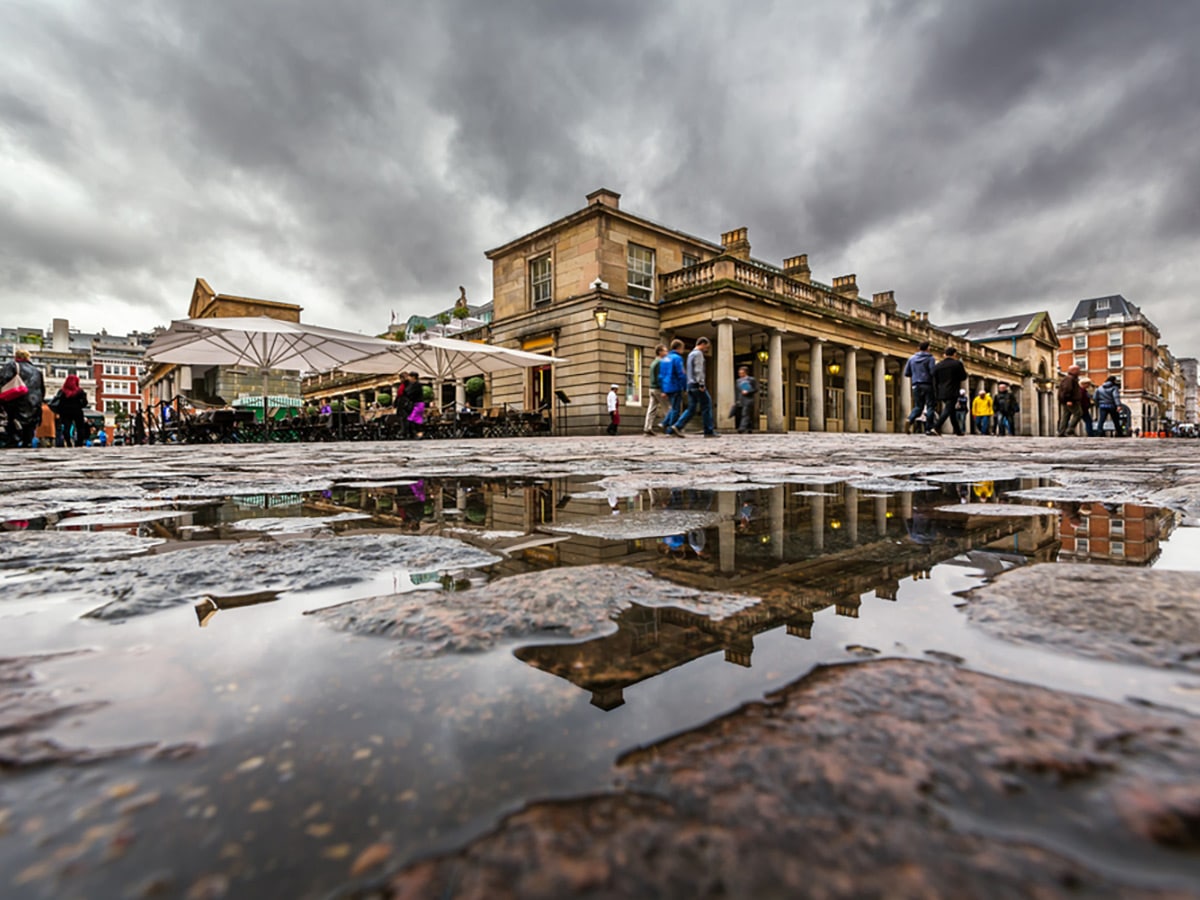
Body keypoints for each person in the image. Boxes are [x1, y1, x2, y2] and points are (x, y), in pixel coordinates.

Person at [670, 337, 717, 437]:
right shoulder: (698, 354)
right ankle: (709, 431)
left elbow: (688, 371)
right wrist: (701, 384)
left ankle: (677, 426)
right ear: (702, 344)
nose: (706, 349)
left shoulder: (691, 354)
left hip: (690, 384)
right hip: (697, 384)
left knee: (691, 408)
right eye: (706, 347)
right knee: (707, 405)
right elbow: (698, 370)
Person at [0, 348, 45, 448]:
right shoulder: (37, 371)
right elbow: (41, 388)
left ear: (16, 356)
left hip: (16, 399)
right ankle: (27, 443)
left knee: (13, 424)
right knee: (29, 428)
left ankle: (14, 442)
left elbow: (3, 380)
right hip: (34, 402)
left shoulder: (12, 365)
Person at [930, 347, 967, 435]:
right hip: (953, 390)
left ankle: (957, 431)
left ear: (945, 354)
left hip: (941, 390)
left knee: (951, 411)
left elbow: (934, 376)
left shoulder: (938, 365)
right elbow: (963, 377)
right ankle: (936, 427)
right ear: (954, 354)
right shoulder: (957, 364)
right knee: (948, 409)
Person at [903, 340, 936, 433]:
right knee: (930, 406)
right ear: (928, 348)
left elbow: (907, 373)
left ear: (919, 348)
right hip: (927, 384)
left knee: (918, 406)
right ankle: (929, 428)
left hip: (915, 384)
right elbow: (932, 372)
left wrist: (916, 375)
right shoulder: (930, 358)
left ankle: (910, 419)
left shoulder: (911, 358)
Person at [50, 374, 89, 447]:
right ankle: (79, 443)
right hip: (77, 411)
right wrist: (79, 405)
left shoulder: (62, 391)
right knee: (80, 427)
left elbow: (59, 402)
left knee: (66, 427)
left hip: (65, 412)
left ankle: (68, 441)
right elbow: (85, 403)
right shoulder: (80, 391)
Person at [659, 339, 687, 435]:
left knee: (673, 407)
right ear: (679, 348)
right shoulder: (677, 358)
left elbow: (661, 376)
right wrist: (685, 386)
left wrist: (663, 389)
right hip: (675, 385)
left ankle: (664, 423)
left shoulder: (665, 359)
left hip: (666, 386)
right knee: (676, 409)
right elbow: (681, 374)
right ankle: (670, 429)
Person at [643, 344, 667, 436]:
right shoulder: (660, 362)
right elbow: (660, 378)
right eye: (665, 350)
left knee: (651, 409)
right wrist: (664, 390)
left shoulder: (653, 362)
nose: (666, 352)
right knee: (668, 408)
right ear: (660, 352)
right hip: (658, 388)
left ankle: (647, 427)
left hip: (651, 388)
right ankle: (669, 426)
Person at [1056, 364, 1085, 436]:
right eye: (1078, 370)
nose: (1079, 372)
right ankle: (1070, 429)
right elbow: (1067, 389)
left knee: (1066, 415)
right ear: (1073, 371)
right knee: (1078, 413)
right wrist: (1068, 400)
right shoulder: (1069, 379)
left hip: (1068, 400)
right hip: (1071, 400)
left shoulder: (1070, 378)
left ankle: (1061, 431)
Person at [734, 365, 757, 434]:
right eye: (739, 373)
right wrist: (737, 399)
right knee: (743, 414)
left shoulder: (751, 379)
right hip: (741, 399)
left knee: (745, 413)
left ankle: (742, 428)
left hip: (748, 399)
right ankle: (749, 427)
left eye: (741, 373)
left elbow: (755, 389)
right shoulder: (738, 381)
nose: (740, 374)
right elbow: (737, 390)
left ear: (745, 373)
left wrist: (748, 391)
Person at [403, 371, 424, 439]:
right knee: (415, 420)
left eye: (409, 376)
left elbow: (408, 392)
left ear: (413, 377)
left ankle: (418, 433)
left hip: (418, 404)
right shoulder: (411, 384)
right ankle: (417, 434)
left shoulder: (417, 385)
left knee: (413, 420)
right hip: (415, 404)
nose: (408, 378)